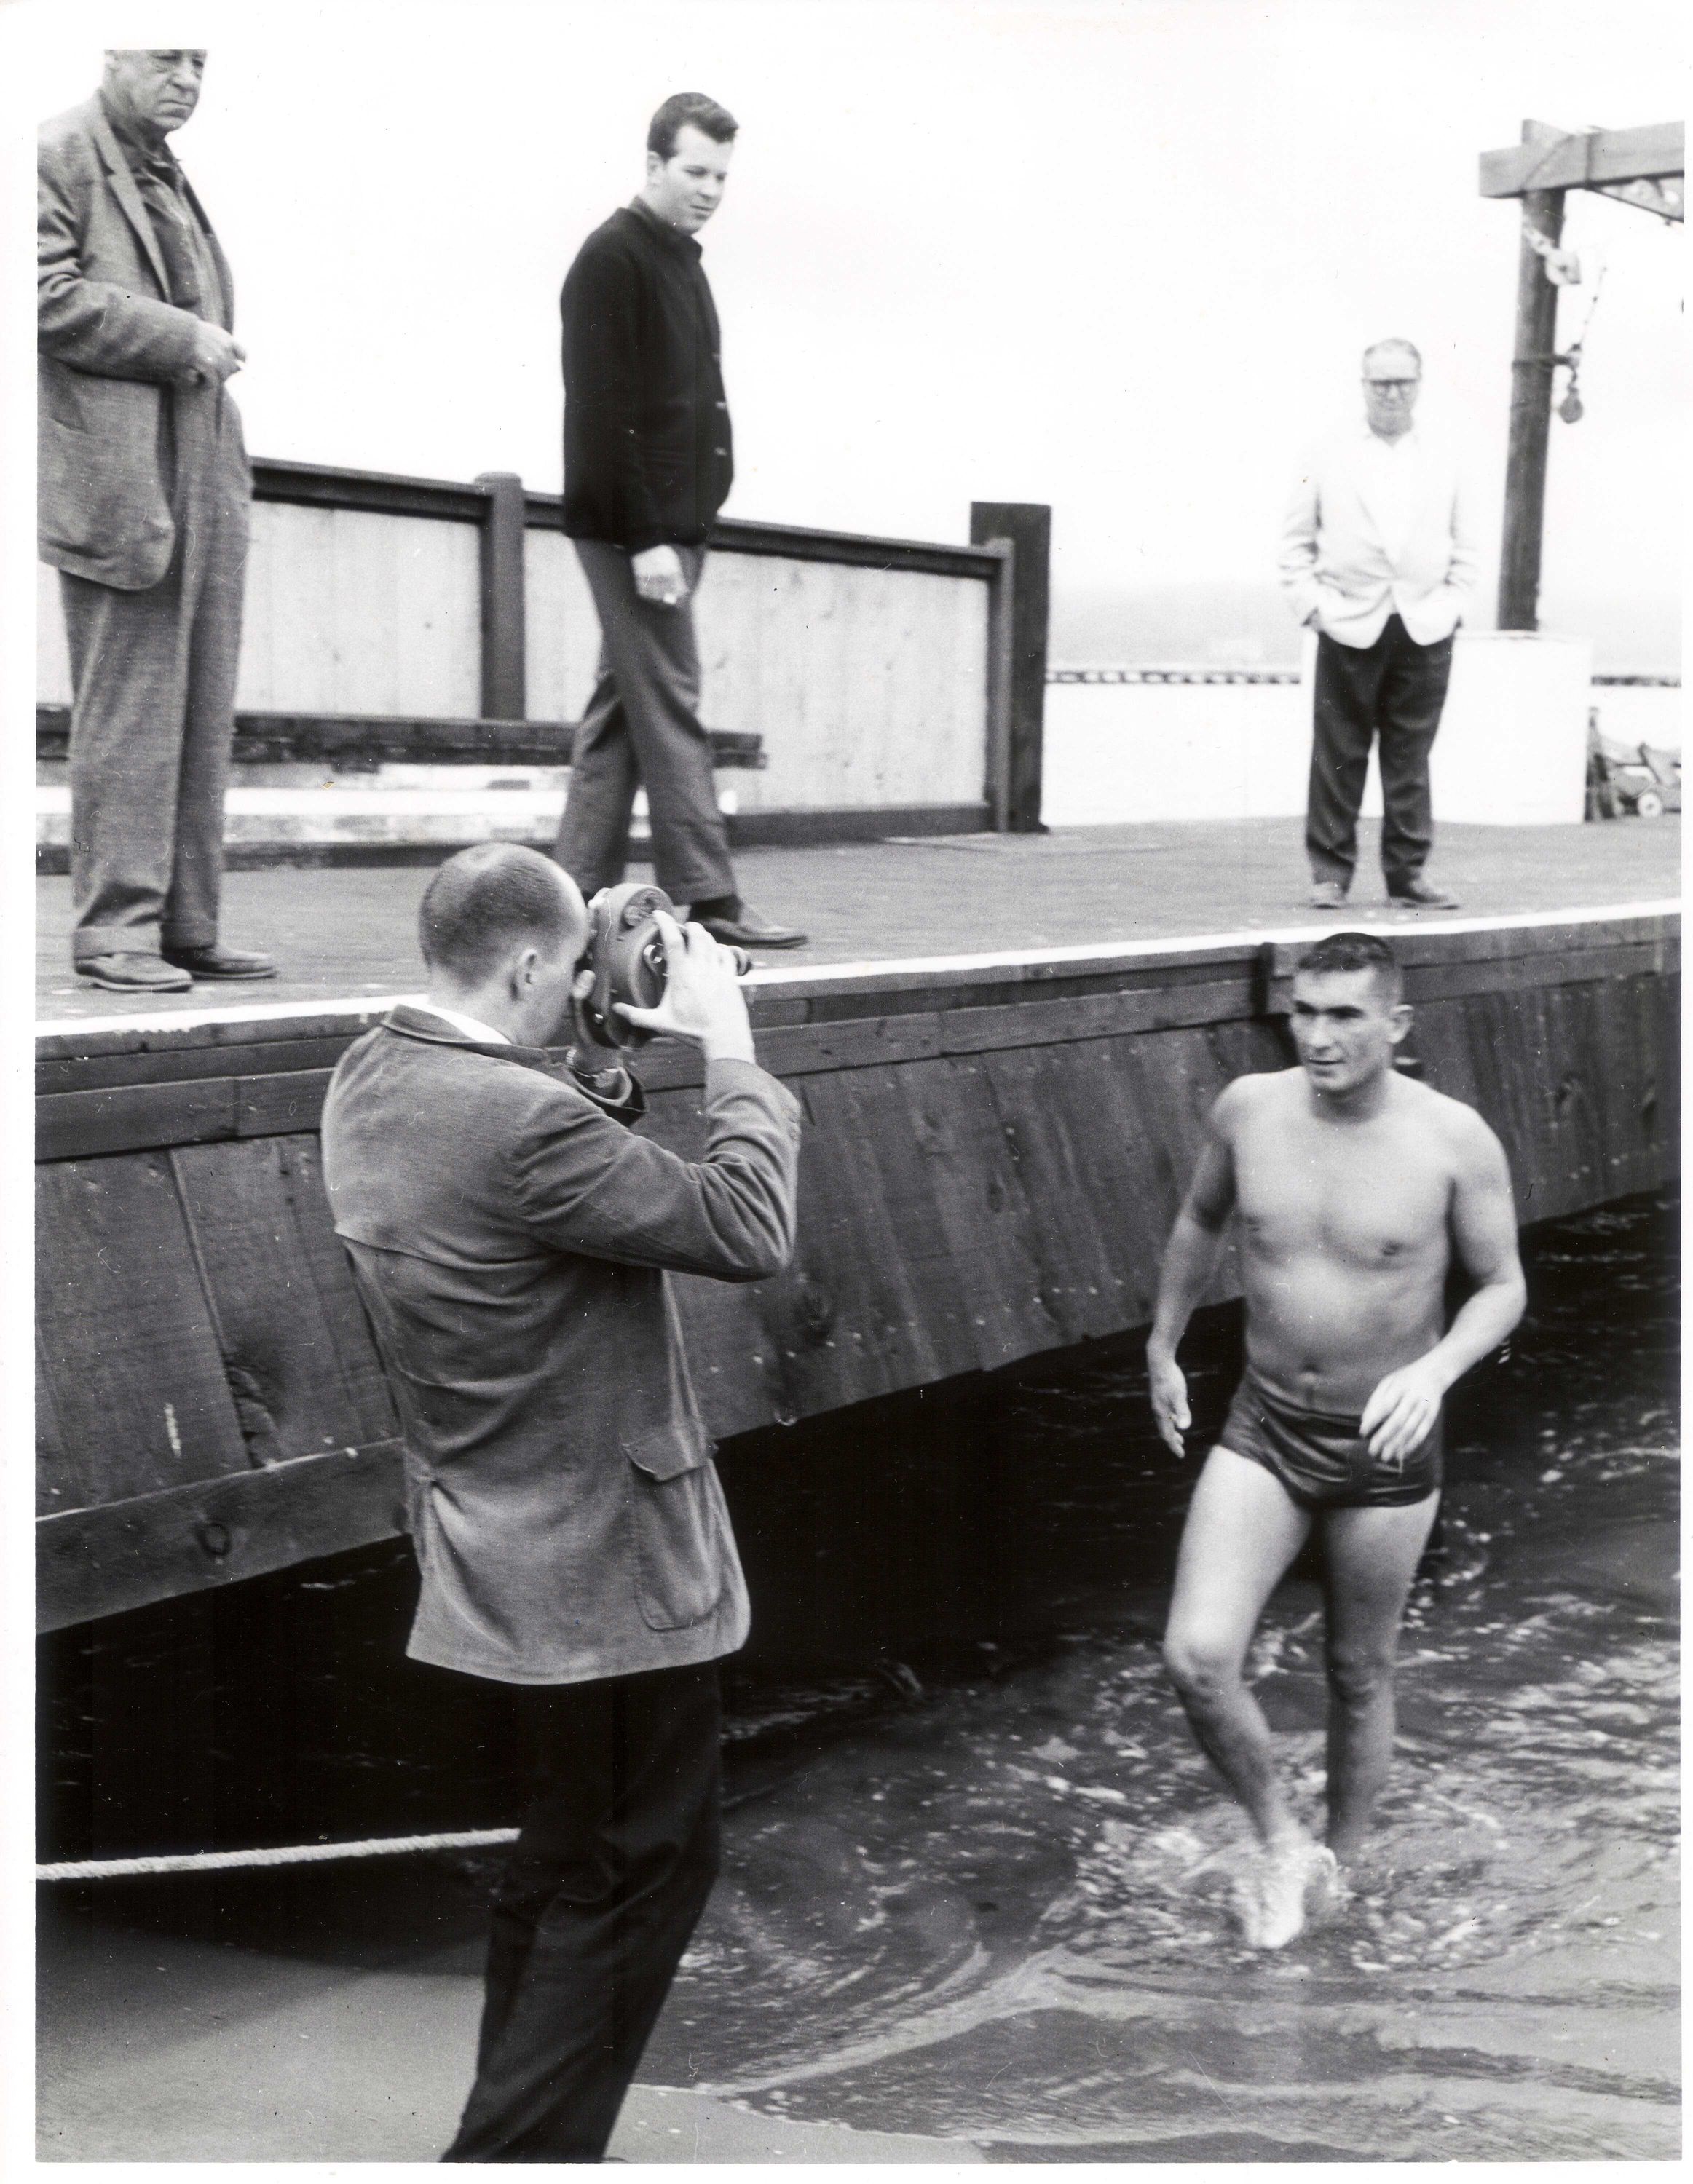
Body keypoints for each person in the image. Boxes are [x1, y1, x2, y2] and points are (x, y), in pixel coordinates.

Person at [320, 842, 800, 2161]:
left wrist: (605, 1050)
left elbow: (540, 1174)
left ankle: (521, 2133)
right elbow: (746, 1228)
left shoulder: (371, 1073)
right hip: (611, 1567)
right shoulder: (524, 1126)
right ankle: (510, 2158)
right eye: (577, 964)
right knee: (648, 1869)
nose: (590, 978)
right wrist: (730, 1044)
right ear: (534, 962)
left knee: (563, 1861)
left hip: (495, 1546)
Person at [1148, 930, 1524, 1949]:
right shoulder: (1249, 1110)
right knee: (1197, 1654)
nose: (1318, 1037)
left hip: (1386, 1445)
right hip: (1265, 1424)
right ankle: (1284, 1843)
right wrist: (1162, 1344)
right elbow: (1200, 1220)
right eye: (1305, 1013)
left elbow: (1502, 1285)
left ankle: (1341, 1873)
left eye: (1345, 1015)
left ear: (1396, 1024)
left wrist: (1435, 1371)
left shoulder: (1453, 1140)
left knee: (1359, 1672)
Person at [39, 49, 274, 993]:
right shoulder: (55, 152)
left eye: (200, 62)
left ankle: (185, 926)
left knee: (201, 705)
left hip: (202, 465)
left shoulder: (166, 171)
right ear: (114, 51)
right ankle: (114, 935)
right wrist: (182, 337)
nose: (186, 78)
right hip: (120, 477)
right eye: (167, 57)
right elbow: (38, 293)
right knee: (129, 712)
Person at [556, 92, 807, 953]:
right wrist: (646, 539)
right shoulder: (612, 258)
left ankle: (570, 896)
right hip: (637, 530)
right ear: (654, 164)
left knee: (623, 711)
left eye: (722, 177)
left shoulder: (677, 260)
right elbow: (600, 413)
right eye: (695, 171)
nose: (710, 190)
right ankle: (710, 893)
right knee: (671, 702)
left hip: (674, 524)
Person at [1278, 339, 1480, 914]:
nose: (1392, 394)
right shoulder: (1326, 453)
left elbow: (1468, 545)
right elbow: (1294, 543)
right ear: (1363, 385)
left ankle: (1408, 875)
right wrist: (1314, 608)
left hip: (1424, 624)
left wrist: (1451, 606)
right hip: (1347, 623)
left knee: (1410, 757)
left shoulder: (1447, 454)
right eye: (1381, 383)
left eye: (1402, 382)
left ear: (1419, 385)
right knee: (1338, 755)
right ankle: (1329, 874)